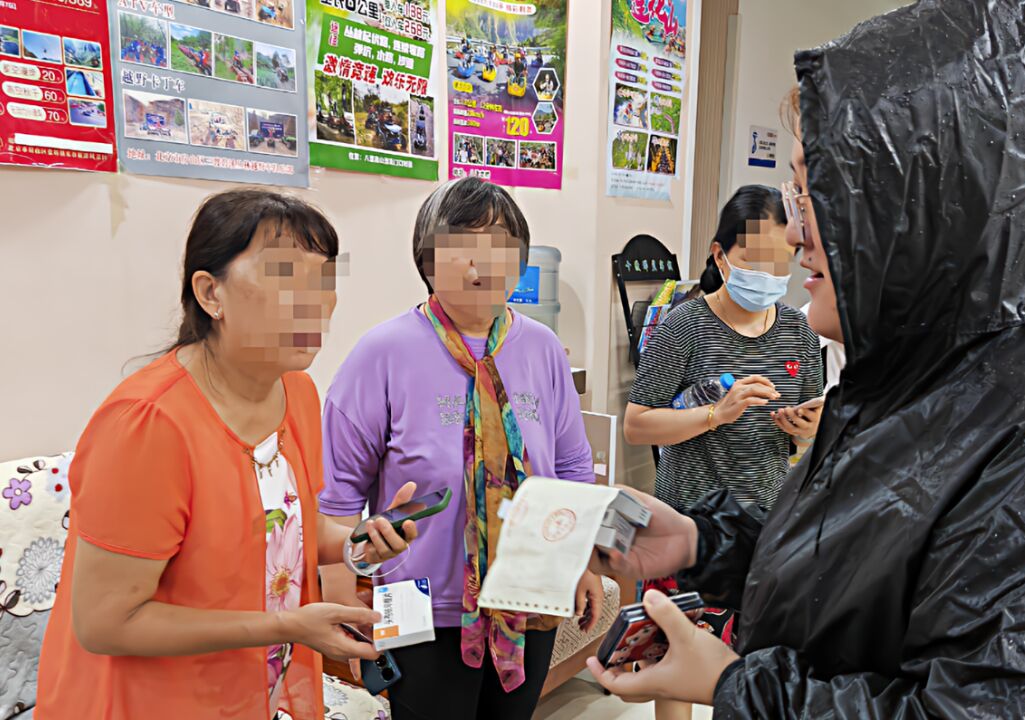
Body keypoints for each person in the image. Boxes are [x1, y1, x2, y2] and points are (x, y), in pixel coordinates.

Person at [588, 2, 1025, 718]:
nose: (797, 236)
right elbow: (863, 570)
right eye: (795, 192)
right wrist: (701, 540)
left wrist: (737, 688)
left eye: (815, 195)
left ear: (921, 206)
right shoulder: (920, 373)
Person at [36, 190, 421, 719]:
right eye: (286, 276)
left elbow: (283, 534)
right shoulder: (148, 424)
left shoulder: (298, 394)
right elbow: (106, 623)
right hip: (147, 700)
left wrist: (359, 543)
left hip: (247, 687)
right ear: (210, 293)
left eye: (325, 279)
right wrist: (286, 626)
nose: (315, 300)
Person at [318, 177, 603, 720]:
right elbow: (336, 497)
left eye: (501, 250)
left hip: (530, 591)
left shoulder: (542, 349)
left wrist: (582, 560)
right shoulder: (383, 352)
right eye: (463, 250)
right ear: (427, 261)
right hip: (418, 602)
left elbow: (570, 467)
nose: (484, 267)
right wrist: (344, 611)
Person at [624, 185, 821, 720]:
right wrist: (716, 413)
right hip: (687, 526)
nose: (767, 272)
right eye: (751, 258)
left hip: (764, 530)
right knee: (676, 667)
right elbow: (638, 425)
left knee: (749, 670)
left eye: (778, 259)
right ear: (720, 255)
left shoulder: (800, 333)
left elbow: (801, 444)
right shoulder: (684, 326)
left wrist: (807, 429)